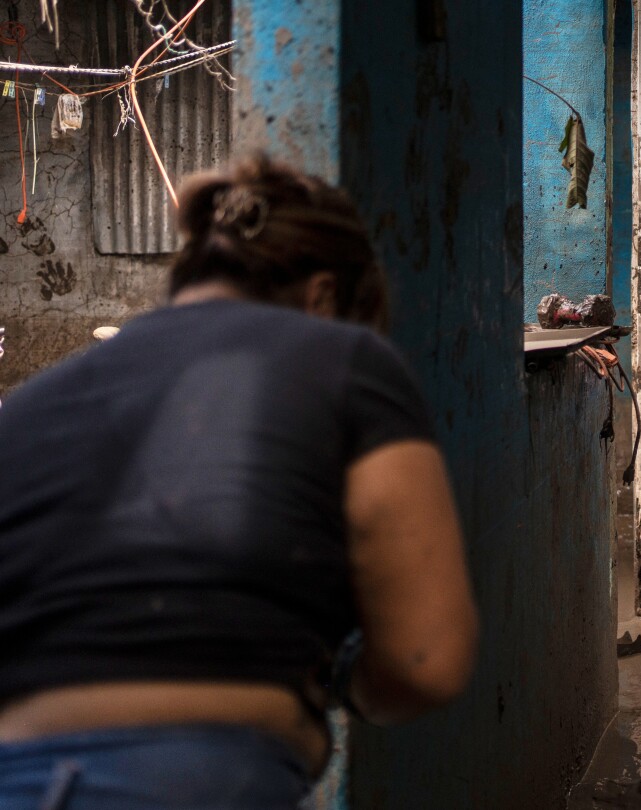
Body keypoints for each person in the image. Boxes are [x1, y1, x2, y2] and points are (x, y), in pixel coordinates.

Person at [0, 155, 479, 808]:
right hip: (199, 784)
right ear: (324, 296)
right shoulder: (344, 361)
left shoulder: (30, 405)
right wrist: (338, 678)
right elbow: (427, 663)